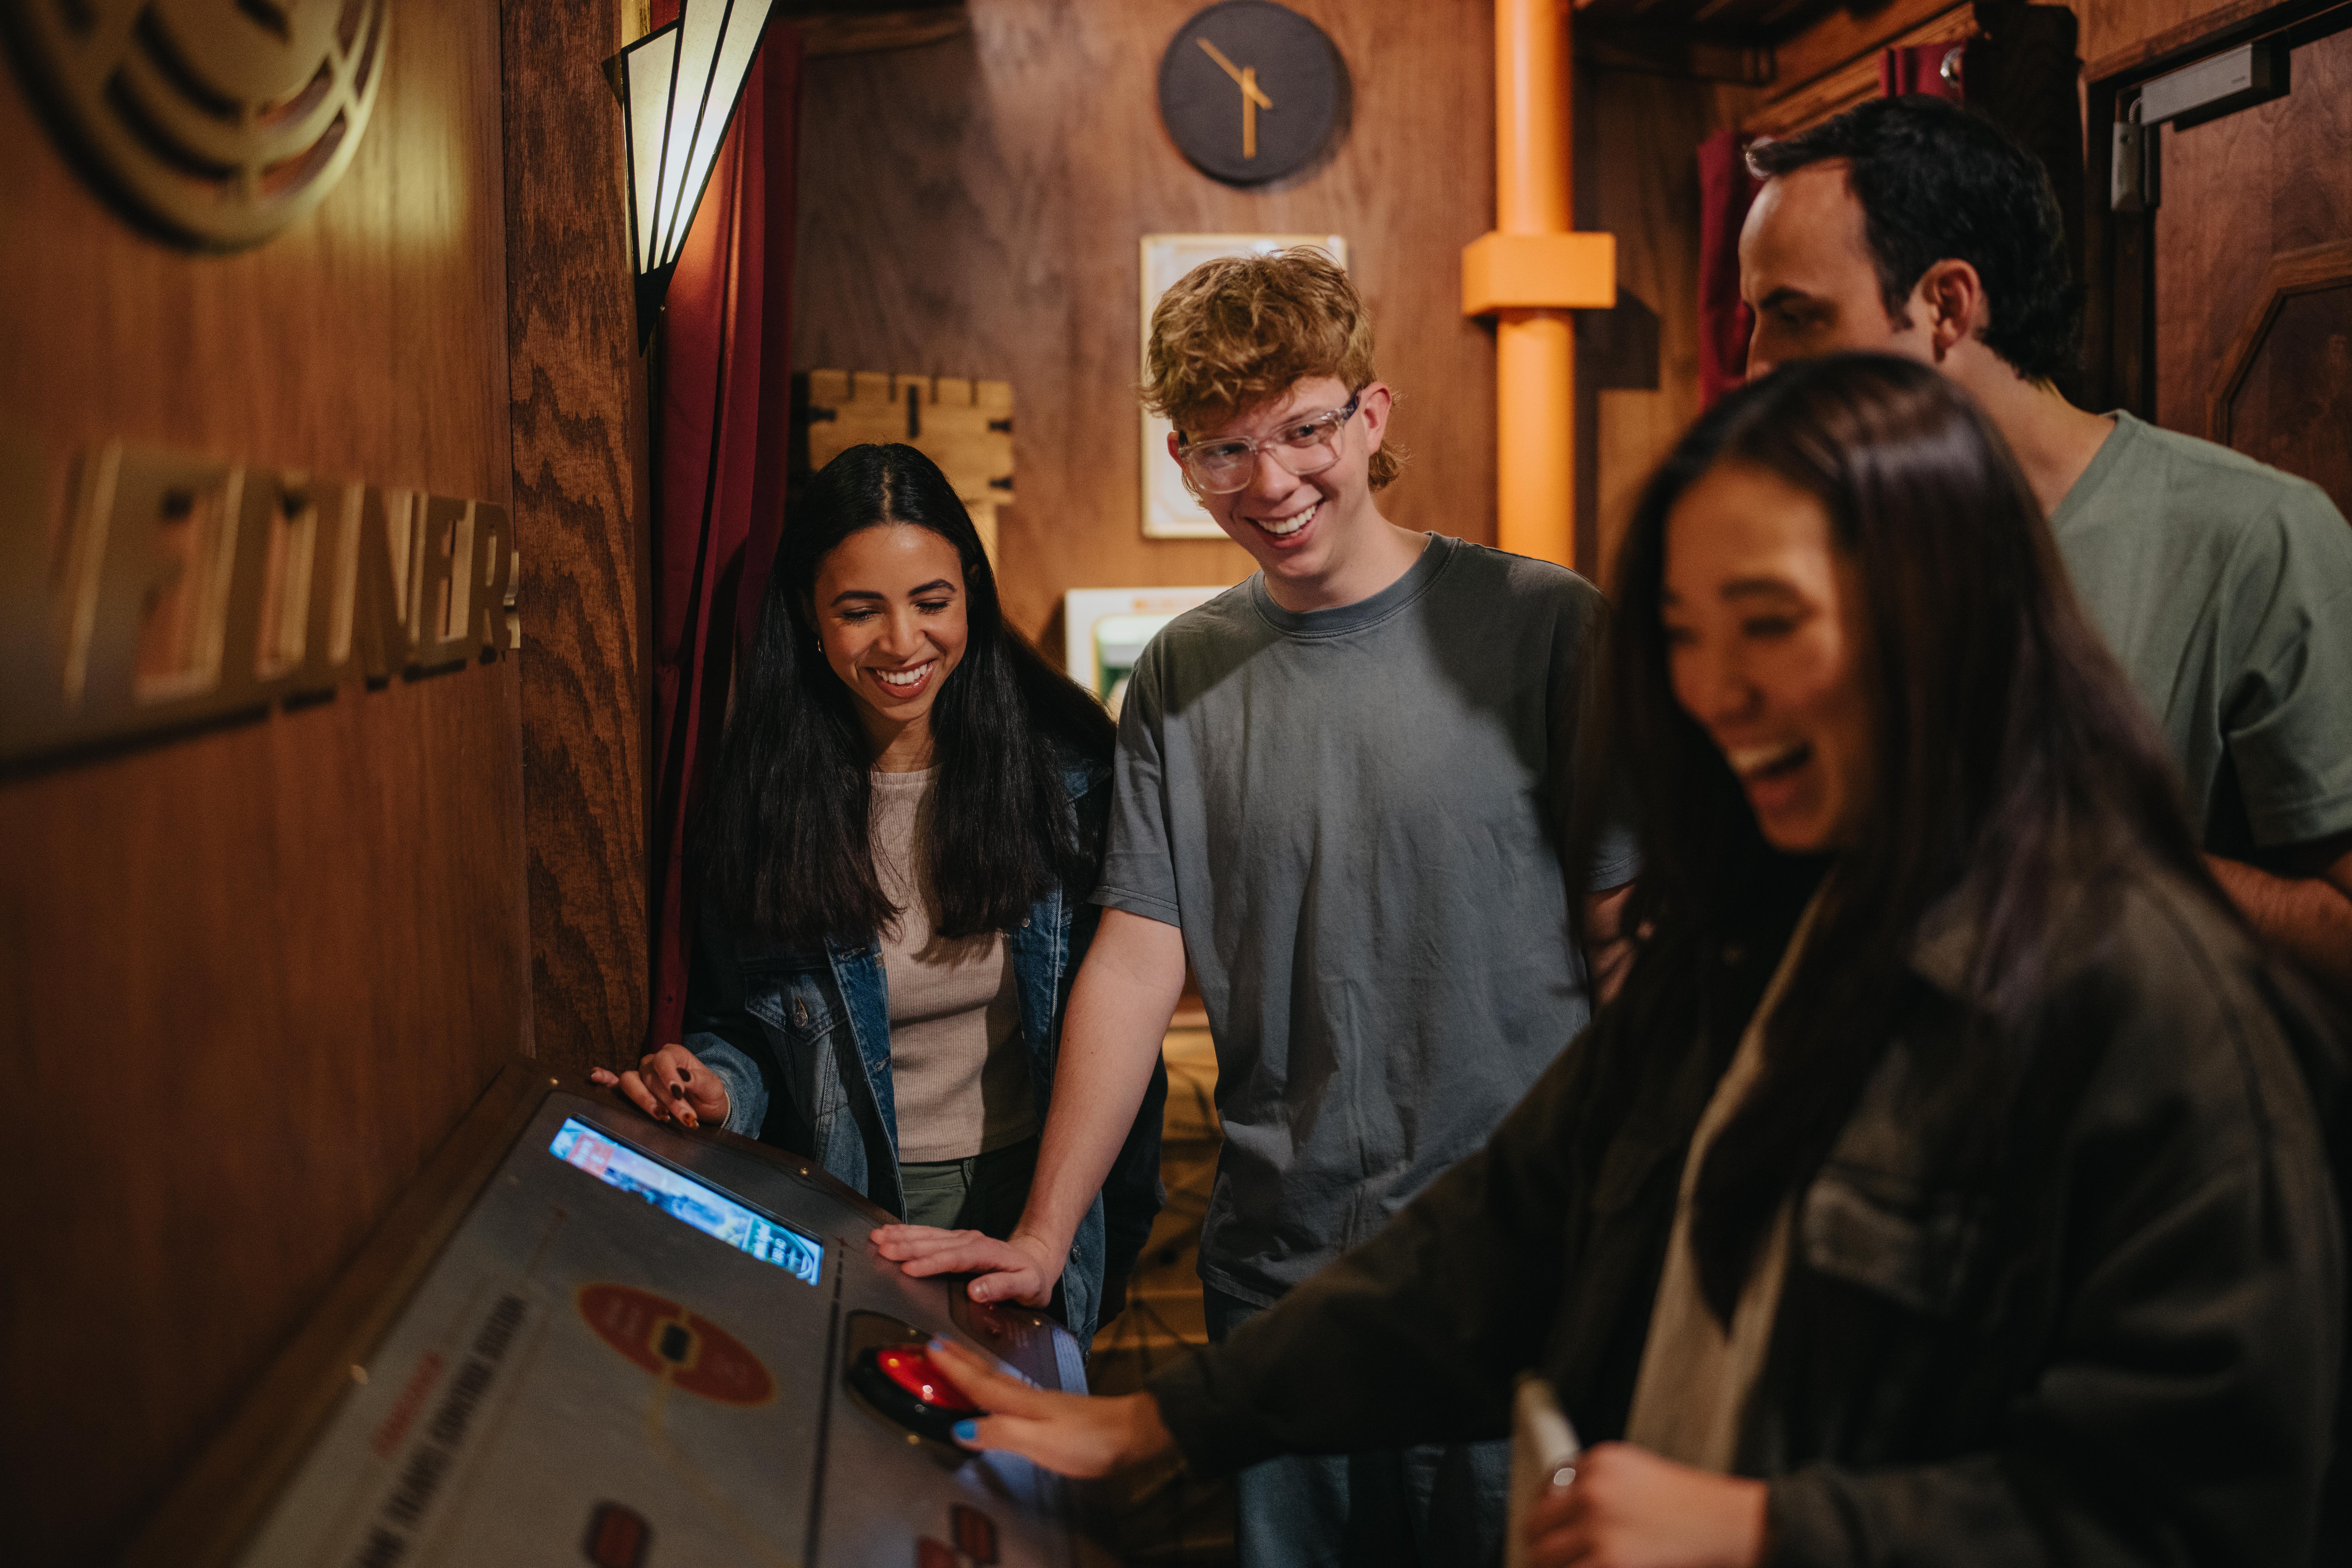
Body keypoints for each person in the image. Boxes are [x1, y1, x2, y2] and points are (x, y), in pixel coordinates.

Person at [918, 356, 2348, 1568]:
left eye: (1774, 625)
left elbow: (2211, 1499)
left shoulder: (2149, 999)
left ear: (1946, 611)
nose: (1722, 694)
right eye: (1685, 639)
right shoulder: (1754, 949)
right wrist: (1173, 1414)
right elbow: (1508, 1239)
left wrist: (1759, 1528)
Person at [876, 248, 1639, 1565]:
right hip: (1286, 1280)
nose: (1273, 483)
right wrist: (1046, 1232)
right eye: (1227, 450)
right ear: (1183, 459)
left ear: (1373, 415)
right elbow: (1135, 953)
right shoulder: (1182, 670)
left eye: (1303, 430)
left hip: (1527, 1270)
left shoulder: (1548, 627)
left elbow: (1633, 950)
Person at [1737, 94, 2352, 1003]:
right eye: (1755, 318)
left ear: (1947, 305)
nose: (1757, 366)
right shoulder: (1829, 552)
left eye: (1796, 316)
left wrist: (2073, 844)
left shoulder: (2256, 539)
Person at [590, 442, 1166, 1347]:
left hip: (1039, 1201)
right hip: (842, 1199)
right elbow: (746, 1032)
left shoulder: (1071, 780)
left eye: (932, 602)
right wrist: (712, 1087)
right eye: (861, 611)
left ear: (970, 591)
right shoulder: (762, 799)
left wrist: (1084, 1235)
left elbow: (1125, 1026)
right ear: (810, 619)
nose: (903, 643)